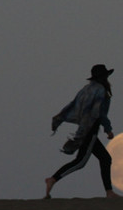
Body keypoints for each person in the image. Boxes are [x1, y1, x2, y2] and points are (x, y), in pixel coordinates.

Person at [45, 64, 118, 199]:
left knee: (105, 159)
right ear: (103, 77)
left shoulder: (86, 89)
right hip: (90, 129)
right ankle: (53, 179)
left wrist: (60, 118)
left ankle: (109, 192)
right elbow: (100, 113)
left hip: (85, 127)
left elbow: (73, 105)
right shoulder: (101, 91)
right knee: (81, 162)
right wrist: (108, 130)